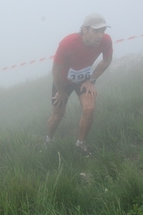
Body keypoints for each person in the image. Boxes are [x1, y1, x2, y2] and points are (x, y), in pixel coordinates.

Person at [46, 13, 113, 155]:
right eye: (96, 31)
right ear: (84, 29)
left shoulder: (106, 41)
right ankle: (48, 140)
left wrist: (91, 80)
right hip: (63, 81)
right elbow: (56, 69)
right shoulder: (68, 43)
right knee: (58, 115)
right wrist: (61, 92)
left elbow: (106, 60)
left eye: (103, 31)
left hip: (84, 79)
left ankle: (80, 145)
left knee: (89, 109)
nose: (100, 35)